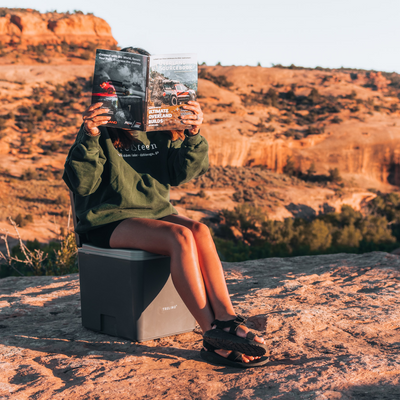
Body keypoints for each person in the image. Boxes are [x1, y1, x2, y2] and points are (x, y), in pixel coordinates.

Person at [63, 47, 269, 368]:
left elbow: (180, 174)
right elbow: (82, 184)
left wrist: (193, 133)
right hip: (108, 219)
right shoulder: (100, 127)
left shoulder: (160, 124)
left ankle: (227, 319)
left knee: (198, 230)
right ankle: (213, 333)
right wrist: (89, 134)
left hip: (153, 213)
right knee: (179, 238)